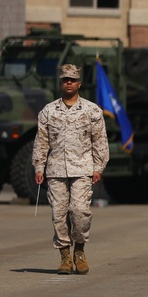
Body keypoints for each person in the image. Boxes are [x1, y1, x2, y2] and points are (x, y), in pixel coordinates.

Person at [32, 63, 109, 274]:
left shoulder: (92, 110)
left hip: (82, 169)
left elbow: (100, 141)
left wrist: (98, 167)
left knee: (80, 211)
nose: (68, 83)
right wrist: (39, 167)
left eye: (72, 80)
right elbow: (41, 142)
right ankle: (65, 255)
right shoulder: (48, 111)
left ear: (79, 84)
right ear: (60, 82)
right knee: (58, 213)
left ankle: (80, 250)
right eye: (65, 79)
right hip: (56, 170)